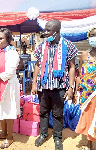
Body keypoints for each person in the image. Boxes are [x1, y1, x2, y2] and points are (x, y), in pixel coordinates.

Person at [32, 19, 78, 150]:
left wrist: (70, 88)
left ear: (56, 32)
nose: (45, 33)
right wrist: (34, 84)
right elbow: (37, 65)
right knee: (43, 112)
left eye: (48, 30)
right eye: (45, 30)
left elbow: (72, 67)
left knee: (58, 114)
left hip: (59, 87)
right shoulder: (42, 46)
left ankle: (57, 138)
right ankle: (43, 134)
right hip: (43, 87)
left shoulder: (68, 45)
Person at [74, 25, 96, 150]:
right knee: (88, 116)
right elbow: (79, 74)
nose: (94, 38)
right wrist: (76, 91)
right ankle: (88, 144)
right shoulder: (84, 55)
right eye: (92, 36)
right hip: (86, 92)